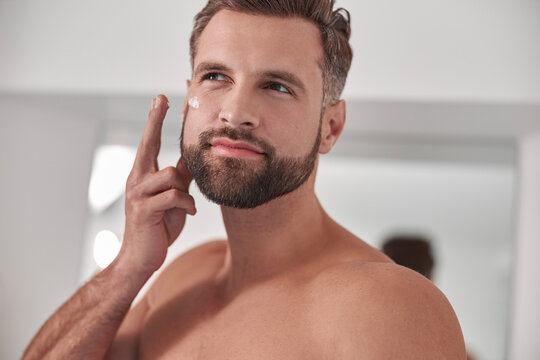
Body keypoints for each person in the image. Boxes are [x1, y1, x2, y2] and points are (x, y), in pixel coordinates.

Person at [23, 1, 466, 359]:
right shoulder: (182, 278)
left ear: (330, 126)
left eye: (276, 86)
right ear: (188, 99)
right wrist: (128, 267)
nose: (235, 112)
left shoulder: (386, 307)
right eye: (215, 76)